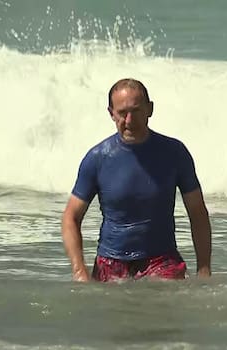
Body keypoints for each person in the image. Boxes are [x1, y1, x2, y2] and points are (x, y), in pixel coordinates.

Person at [61, 78, 211, 282]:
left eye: (136, 111)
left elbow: (197, 212)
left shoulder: (174, 153)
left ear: (150, 109)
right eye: (122, 113)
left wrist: (204, 268)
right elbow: (71, 217)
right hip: (111, 262)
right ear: (111, 113)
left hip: (162, 260)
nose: (129, 120)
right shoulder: (97, 158)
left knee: (163, 306)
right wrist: (80, 271)